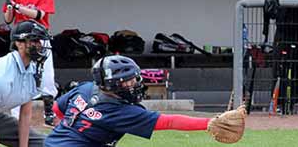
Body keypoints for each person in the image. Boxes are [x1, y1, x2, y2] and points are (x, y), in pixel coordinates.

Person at [44, 55, 246, 146]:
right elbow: (169, 121)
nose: (135, 84)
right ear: (114, 85)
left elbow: (57, 110)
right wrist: (209, 123)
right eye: (129, 81)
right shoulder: (120, 111)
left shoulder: (85, 88)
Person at [2, 0, 58, 125]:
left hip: (41, 37)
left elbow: (39, 15)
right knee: (18, 75)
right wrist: (10, 7)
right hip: (21, 39)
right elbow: (7, 19)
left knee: (47, 77)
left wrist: (19, 7)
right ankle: (14, 115)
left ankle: (49, 114)